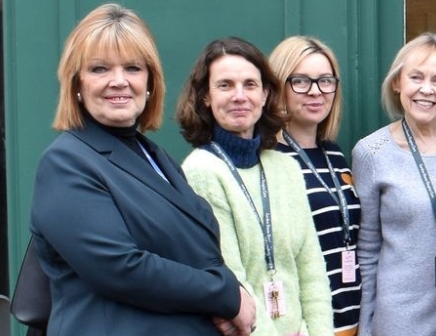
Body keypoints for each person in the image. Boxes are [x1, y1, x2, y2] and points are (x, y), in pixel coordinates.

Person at [27, 4, 256, 336]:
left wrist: (225, 298)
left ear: (150, 82)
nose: (118, 81)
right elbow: (120, 268)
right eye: (100, 69)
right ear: (76, 83)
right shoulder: (66, 162)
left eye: (133, 68)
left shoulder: (154, 156)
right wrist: (227, 296)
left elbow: (196, 252)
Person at [178, 37, 335, 336]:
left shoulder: (285, 167)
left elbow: (311, 269)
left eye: (250, 85)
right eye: (225, 85)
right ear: (205, 98)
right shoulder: (201, 172)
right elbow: (230, 278)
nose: (239, 96)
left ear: (264, 95)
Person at [351, 32, 436, 336]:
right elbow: (368, 249)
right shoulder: (371, 153)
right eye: (416, 77)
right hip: (402, 314)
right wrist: (367, 325)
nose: (427, 89)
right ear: (397, 82)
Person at [267, 35, 365, 336]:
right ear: (279, 85)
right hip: (305, 327)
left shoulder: (334, 154)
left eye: (325, 81)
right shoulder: (268, 158)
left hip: (352, 320)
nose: (316, 92)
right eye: (301, 81)